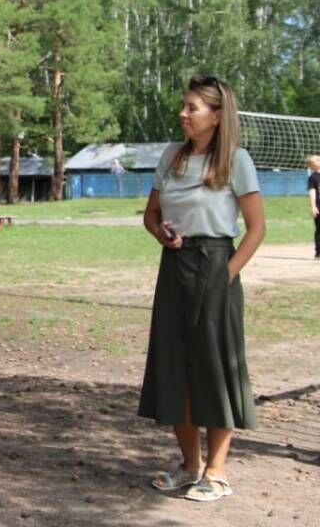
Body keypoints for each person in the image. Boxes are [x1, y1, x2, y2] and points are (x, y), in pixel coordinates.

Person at [139, 75, 265, 504]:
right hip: (175, 265)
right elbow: (150, 215)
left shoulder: (236, 160)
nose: (183, 114)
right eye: (183, 105)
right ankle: (189, 465)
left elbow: (256, 229)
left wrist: (226, 275)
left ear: (216, 115)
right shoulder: (171, 157)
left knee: (215, 369)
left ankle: (217, 471)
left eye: (192, 107)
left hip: (216, 264)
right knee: (176, 367)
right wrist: (163, 234)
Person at [307, 155, 320, 259]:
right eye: (317, 160)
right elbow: (312, 192)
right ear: (312, 165)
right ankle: (318, 252)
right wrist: (313, 206)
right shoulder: (313, 177)